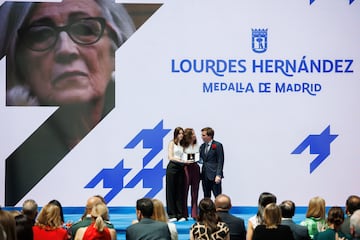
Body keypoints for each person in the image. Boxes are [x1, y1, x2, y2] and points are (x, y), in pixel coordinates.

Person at [0, 0, 136, 206]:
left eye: (85, 29)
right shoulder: (12, 163)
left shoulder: (139, 135)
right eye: (41, 34)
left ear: (114, 50)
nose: (66, 49)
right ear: (18, 62)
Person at [166, 127, 190, 222]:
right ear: (176, 134)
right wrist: (181, 160)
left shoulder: (183, 144)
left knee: (180, 191)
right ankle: (172, 214)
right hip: (173, 167)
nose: (181, 135)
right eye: (179, 133)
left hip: (181, 167)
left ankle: (180, 214)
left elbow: (186, 155)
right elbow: (170, 157)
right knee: (171, 191)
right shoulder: (172, 143)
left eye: (182, 133)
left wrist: (186, 161)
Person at [199, 127, 225, 198]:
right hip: (205, 175)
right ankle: (207, 209)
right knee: (206, 196)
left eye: (203, 135)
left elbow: (220, 161)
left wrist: (218, 175)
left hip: (214, 175)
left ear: (209, 136)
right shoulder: (202, 146)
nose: (202, 137)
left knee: (218, 196)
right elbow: (200, 159)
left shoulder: (217, 145)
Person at [182, 128, 201, 219]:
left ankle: (194, 213)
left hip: (195, 168)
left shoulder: (197, 145)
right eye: (192, 134)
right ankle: (184, 213)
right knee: (184, 191)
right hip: (186, 168)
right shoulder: (182, 146)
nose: (194, 136)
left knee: (195, 192)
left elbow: (199, 156)